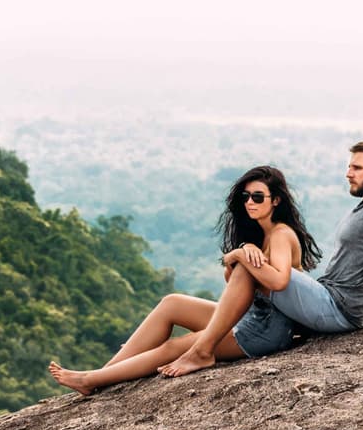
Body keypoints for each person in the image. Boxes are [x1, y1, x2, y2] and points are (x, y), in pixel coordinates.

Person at [49, 141, 363, 396]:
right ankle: (104, 377)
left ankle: (193, 354)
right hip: (312, 302)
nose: (348, 173)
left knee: (181, 341)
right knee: (171, 303)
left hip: (330, 309)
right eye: (349, 166)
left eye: (356, 167)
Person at [49, 164, 320, 395]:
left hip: (266, 331)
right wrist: (239, 255)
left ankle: (90, 380)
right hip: (250, 316)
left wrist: (241, 255)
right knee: (172, 304)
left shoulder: (281, 234)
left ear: (276, 201)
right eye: (246, 196)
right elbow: (235, 282)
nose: (250, 201)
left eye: (258, 197)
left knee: (175, 347)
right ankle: (105, 373)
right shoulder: (261, 234)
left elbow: (280, 281)